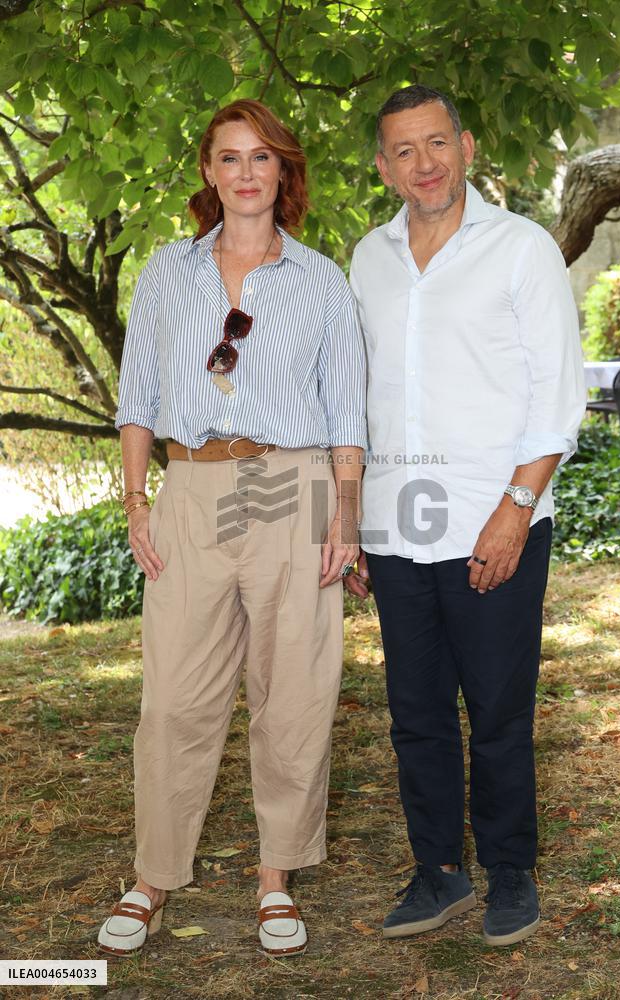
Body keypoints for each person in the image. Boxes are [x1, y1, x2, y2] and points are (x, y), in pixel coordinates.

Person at [98, 99, 367, 959]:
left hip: (295, 484)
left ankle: (276, 877)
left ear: (283, 171)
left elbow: (348, 414)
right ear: (208, 173)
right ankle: (153, 875)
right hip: (192, 486)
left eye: (262, 157)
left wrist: (346, 519)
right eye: (229, 157)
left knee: (294, 691)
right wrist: (137, 500)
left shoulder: (322, 281)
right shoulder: (166, 273)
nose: (246, 173)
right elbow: (137, 398)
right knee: (173, 697)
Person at [346, 85, 586, 947]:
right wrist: (352, 520)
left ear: (468, 146)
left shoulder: (522, 249)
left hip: (495, 516)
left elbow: (557, 393)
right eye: (404, 150)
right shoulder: (367, 259)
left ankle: (511, 872)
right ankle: (439, 871)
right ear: (384, 167)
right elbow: (358, 400)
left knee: (497, 710)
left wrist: (516, 509)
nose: (425, 164)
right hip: (395, 524)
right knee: (414, 713)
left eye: (437, 143)